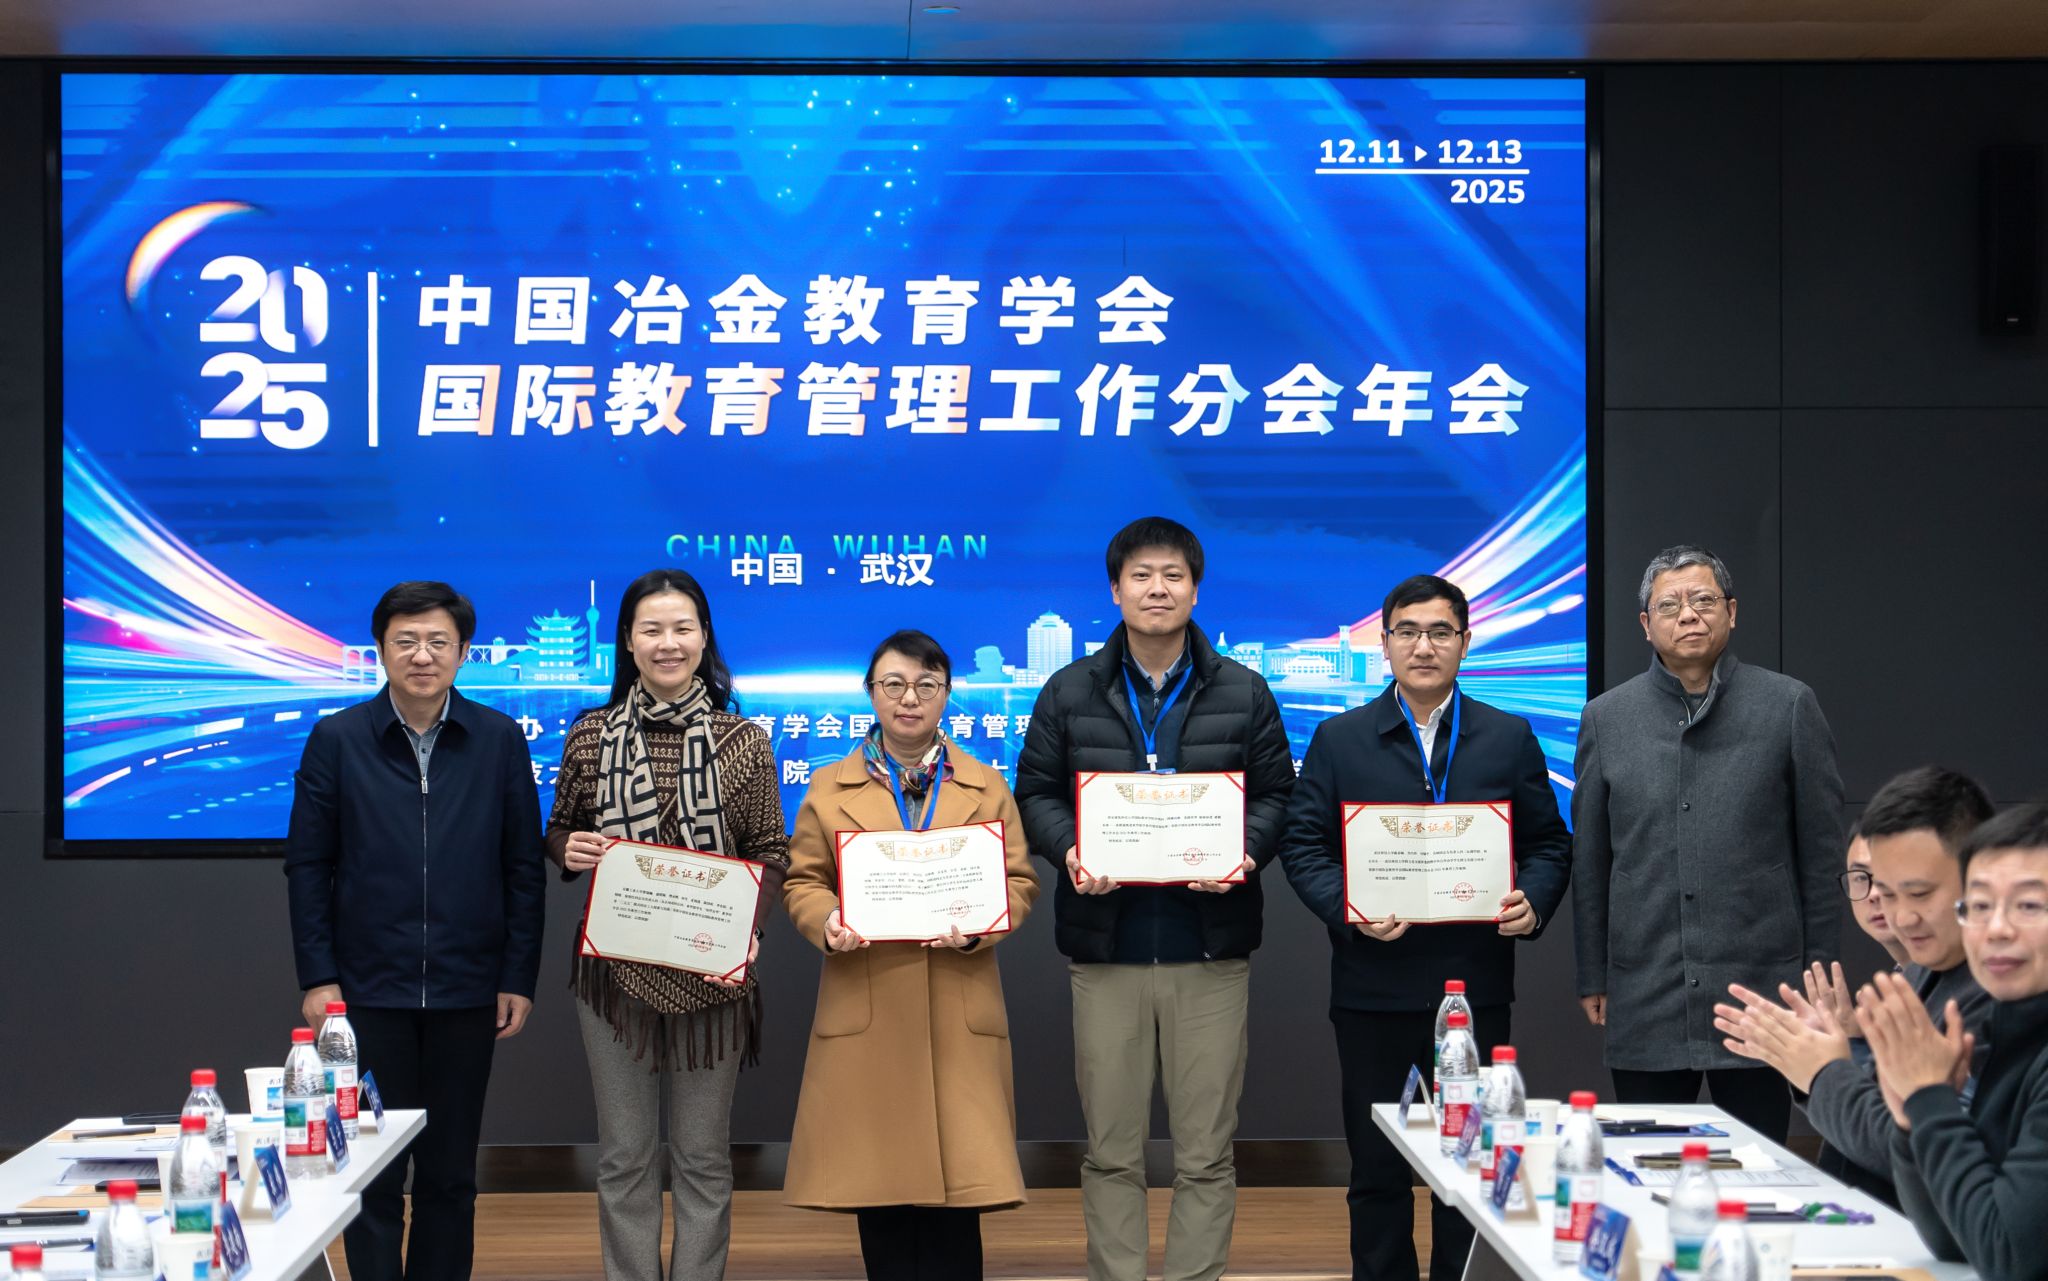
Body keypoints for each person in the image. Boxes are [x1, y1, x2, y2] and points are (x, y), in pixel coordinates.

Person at [1014, 516, 1295, 1281]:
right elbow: (1035, 791)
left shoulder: (1243, 688)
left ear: (1195, 588)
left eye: (1173, 574)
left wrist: (1245, 852)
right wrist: (1071, 849)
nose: (1157, 588)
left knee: (1206, 1150)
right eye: (1141, 575)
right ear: (1116, 589)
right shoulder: (1069, 689)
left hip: (1211, 949)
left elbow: (1278, 794)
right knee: (1112, 1149)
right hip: (1107, 950)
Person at [1276, 573, 1570, 1281]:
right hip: (1373, 990)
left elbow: (1549, 844)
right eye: (1407, 632)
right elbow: (1303, 845)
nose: (1424, 646)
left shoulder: (1507, 736)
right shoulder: (1342, 738)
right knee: (1378, 1169)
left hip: (1475, 990)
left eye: (1440, 631)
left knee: (1470, 1167)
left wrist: (1533, 900)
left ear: (1465, 642)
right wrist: (1351, 908)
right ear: (1384, 645)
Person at [285, 580, 547, 1281]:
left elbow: (523, 868)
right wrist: (319, 975)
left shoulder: (498, 739)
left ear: (463, 651)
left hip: (468, 990)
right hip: (367, 993)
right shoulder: (338, 739)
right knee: (371, 1173)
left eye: (438, 641)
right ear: (381, 649)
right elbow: (308, 865)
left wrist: (517, 976)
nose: (422, 655)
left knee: (450, 1175)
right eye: (405, 641)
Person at [546, 570, 790, 1281]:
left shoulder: (744, 740)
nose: (667, 643)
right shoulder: (590, 735)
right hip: (614, 973)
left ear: (704, 637)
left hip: (713, 971)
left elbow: (770, 851)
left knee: (703, 1156)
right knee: (624, 1154)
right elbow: (560, 827)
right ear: (627, 640)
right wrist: (566, 848)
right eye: (651, 629)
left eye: (682, 627)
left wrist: (750, 929)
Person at [782, 630, 1041, 1280]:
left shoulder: (986, 785)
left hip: (957, 1004)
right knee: (884, 1198)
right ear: (871, 693)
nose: (909, 698)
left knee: (959, 1205)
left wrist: (980, 926)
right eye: (894, 684)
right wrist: (828, 920)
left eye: (927, 685)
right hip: (871, 1007)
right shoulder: (828, 786)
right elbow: (803, 881)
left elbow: (1019, 881)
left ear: (947, 694)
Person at [1571, 544, 1845, 1141]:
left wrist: (1819, 978)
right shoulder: (1606, 718)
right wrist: (1594, 974)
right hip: (1646, 989)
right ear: (1646, 624)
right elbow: (1591, 862)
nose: (1688, 615)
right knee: (1645, 1166)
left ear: (1732, 612)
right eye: (1669, 606)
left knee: (1760, 1170)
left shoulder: (1788, 705)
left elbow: (1823, 857)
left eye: (1703, 600)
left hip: (1761, 992)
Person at [1715, 767, 1995, 1204]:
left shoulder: (1993, 993)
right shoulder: (1921, 972)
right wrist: (1835, 1055)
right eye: (1879, 888)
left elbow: (1931, 1162)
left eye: (1919, 893)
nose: (1899, 915)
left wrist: (1824, 1072)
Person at [1861, 803, 2048, 1281]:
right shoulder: (2010, 1027)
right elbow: (1953, 1238)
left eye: (2029, 905)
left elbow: (2008, 1255)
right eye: (1979, 907)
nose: (1997, 929)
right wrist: (1912, 1122)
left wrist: (1930, 1100)